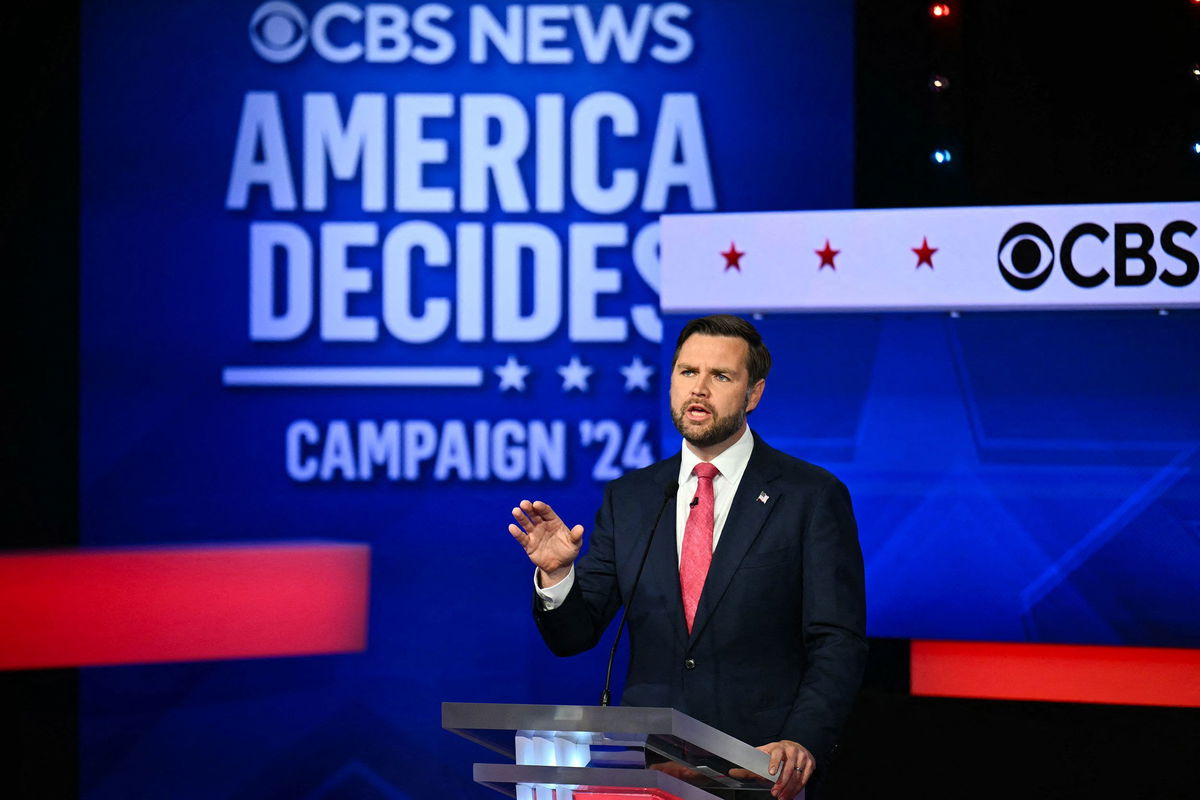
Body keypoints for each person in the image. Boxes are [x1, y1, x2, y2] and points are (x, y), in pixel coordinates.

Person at [508, 315, 867, 799]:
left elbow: (837, 641)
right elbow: (574, 635)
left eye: (721, 376)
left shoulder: (810, 496)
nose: (699, 389)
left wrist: (803, 740)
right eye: (687, 372)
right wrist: (557, 575)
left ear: (753, 394)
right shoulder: (631, 498)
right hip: (647, 771)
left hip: (759, 769)